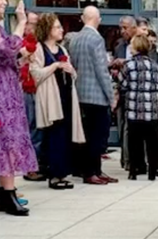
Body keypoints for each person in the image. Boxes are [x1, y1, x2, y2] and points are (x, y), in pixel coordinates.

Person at [31, 13, 86, 190]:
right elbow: (36, 74)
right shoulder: (39, 49)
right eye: (57, 27)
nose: (61, 30)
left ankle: (62, 173)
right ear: (48, 29)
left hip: (66, 96)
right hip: (51, 99)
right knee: (54, 135)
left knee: (65, 134)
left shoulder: (62, 50)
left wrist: (70, 70)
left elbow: (73, 73)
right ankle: (54, 174)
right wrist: (55, 66)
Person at [68, 6, 117, 185]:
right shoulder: (96, 39)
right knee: (97, 136)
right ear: (98, 19)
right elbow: (101, 70)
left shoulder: (75, 38)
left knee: (86, 134)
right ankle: (92, 172)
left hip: (80, 93)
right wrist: (111, 96)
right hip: (96, 95)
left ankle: (91, 170)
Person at [0, 0, 38, 216]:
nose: (5, 2)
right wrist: (21, 22)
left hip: (7, 91)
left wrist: (20, 59)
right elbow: (6, 49)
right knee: (7, 141)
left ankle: (6, 192)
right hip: (2, 94)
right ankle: (8, 192)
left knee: (8, 141)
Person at [120, 34, 158, 181]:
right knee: (152, 143)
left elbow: (123, 85)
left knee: (134, 143)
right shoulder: (155, 65)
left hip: (134, 111)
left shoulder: (129, 65)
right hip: (151, 111)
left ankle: (133, 170)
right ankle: (152, 171)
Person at [21, 11, 46, 182]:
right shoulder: (21, 44)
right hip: (27, 90)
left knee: (38, 128)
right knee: (32, 129)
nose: (35, 27)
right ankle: (30, 167)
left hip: (37, 89)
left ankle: (36, 164)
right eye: (33, 23)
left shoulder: (38, 44)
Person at [112, 15, 137, 171]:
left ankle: (133, 160)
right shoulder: (119, 45)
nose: (122, 31)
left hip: (137, 93)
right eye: (121, 27)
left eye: (125, 27)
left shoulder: (142, 44)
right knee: (123, 127)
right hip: (122, 90)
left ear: (134, 28)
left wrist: (126, 62)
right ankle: (125, 159)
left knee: (132, 128)